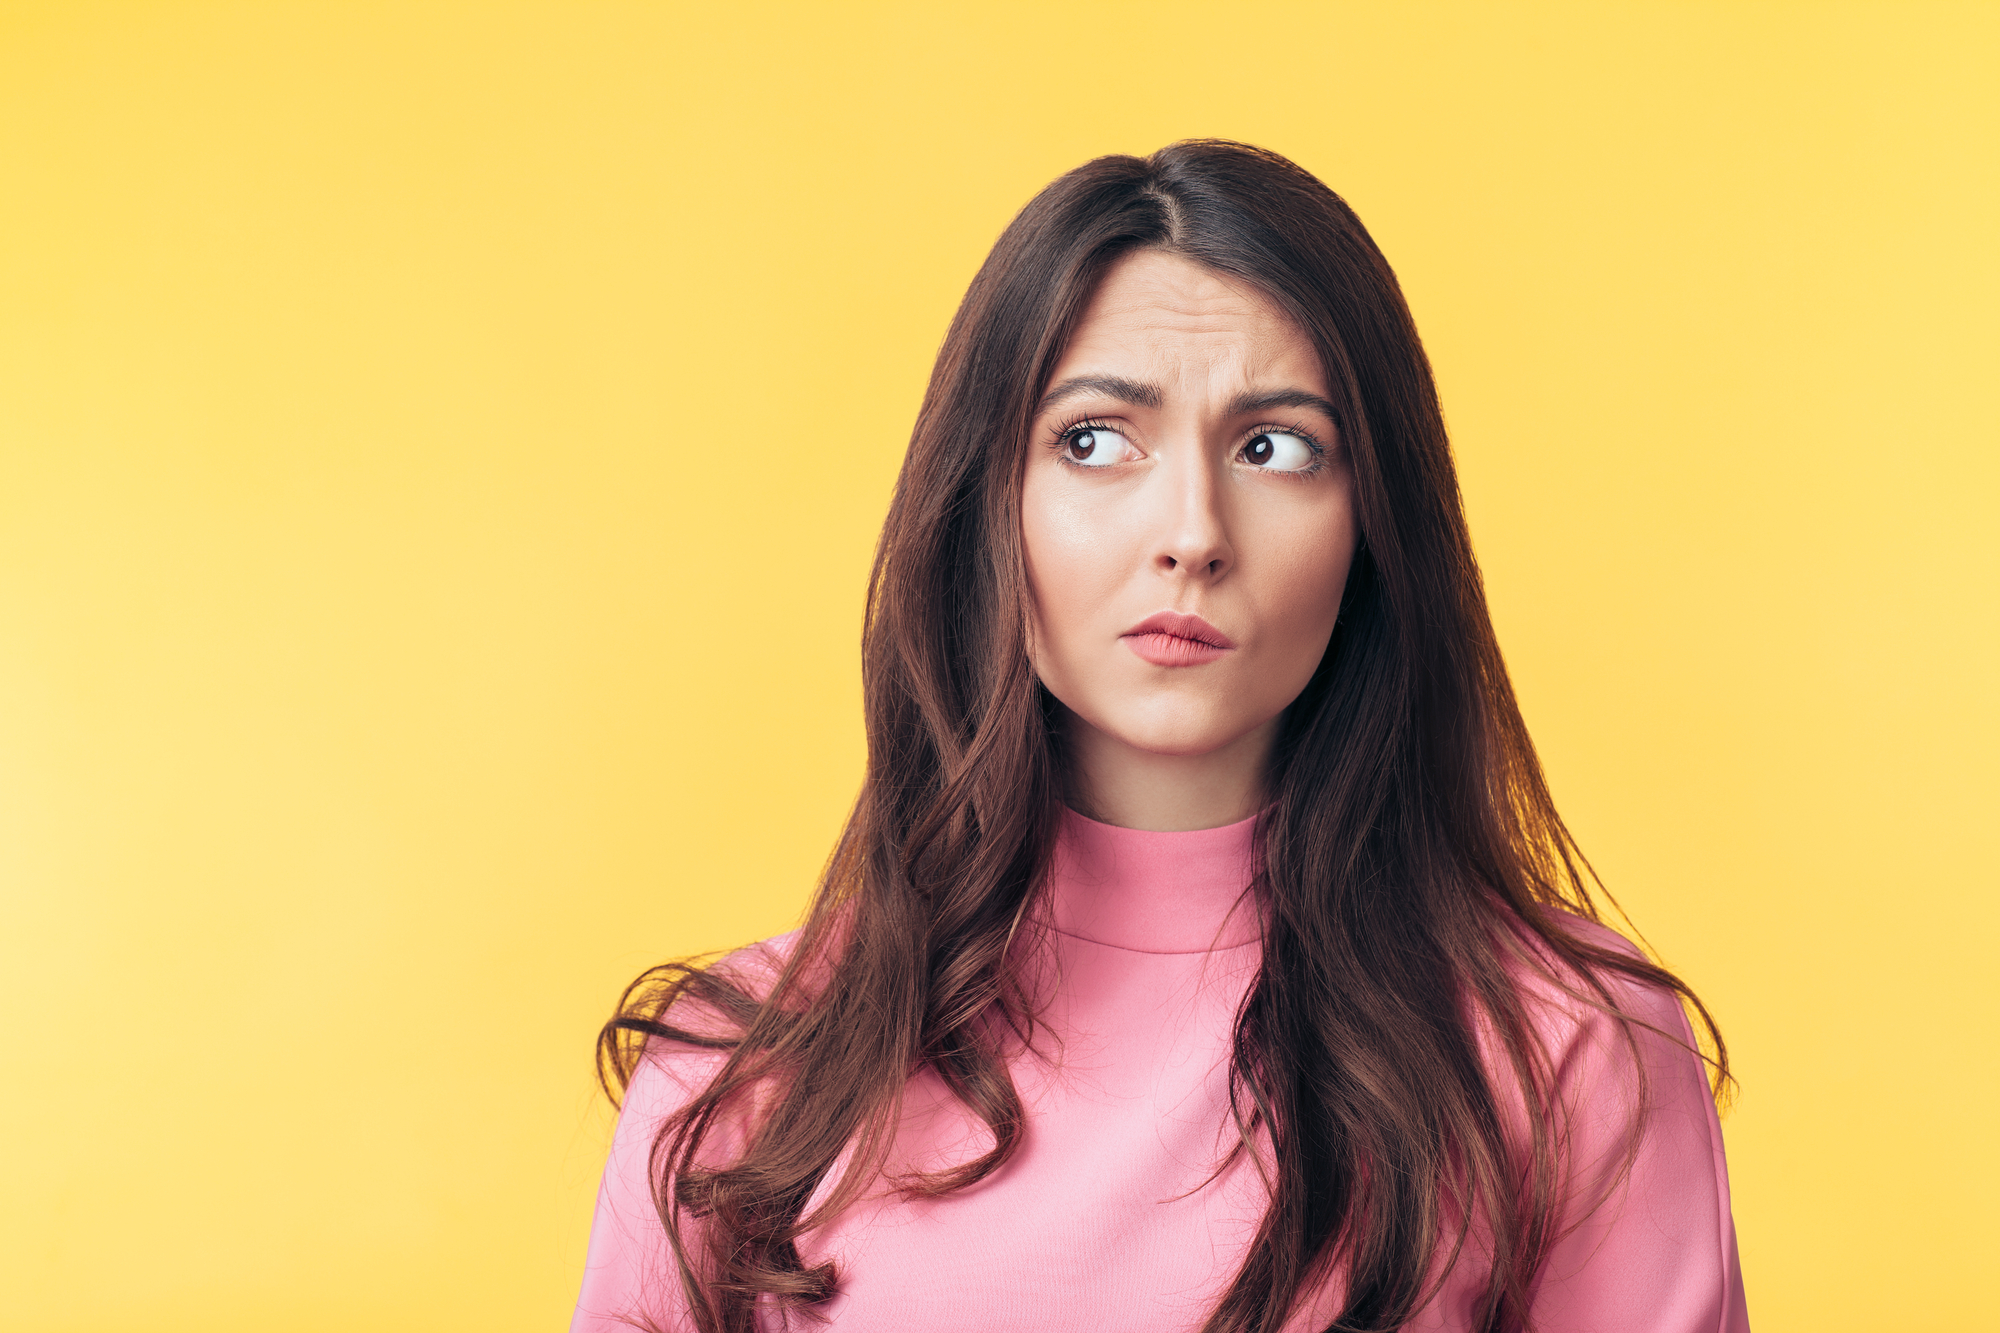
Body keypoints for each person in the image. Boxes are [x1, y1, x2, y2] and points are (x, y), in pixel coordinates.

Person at [572, 140, 1750, 1333]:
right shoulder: (740, 1071)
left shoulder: (1567, 1049)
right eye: (1093, 440)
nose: (1191, 529)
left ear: (1372, 526)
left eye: (1275, 447)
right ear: (986, 503)